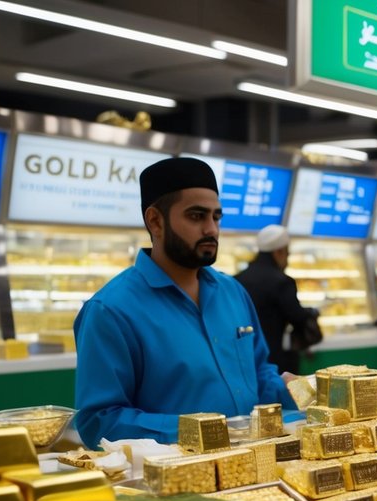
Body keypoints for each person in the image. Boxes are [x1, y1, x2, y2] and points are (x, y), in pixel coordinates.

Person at [73, 157, 297, 448]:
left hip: (251, 472)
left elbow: (258, 374)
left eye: (216, 217)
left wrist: (289, 389)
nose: (211, 229)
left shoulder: (232, 292)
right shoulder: (111, 311)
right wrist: (201, 431)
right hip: (172, 486)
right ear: (155, 221)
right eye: (196, 216)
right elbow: (99, 421)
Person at [236, 224, 317, 375]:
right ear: (279, 252)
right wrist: (311, 312)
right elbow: (297, 316)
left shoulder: (237, 279)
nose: (287, 259)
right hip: (276, 362)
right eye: (288, 254)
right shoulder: (282, 282)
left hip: (244, 358)